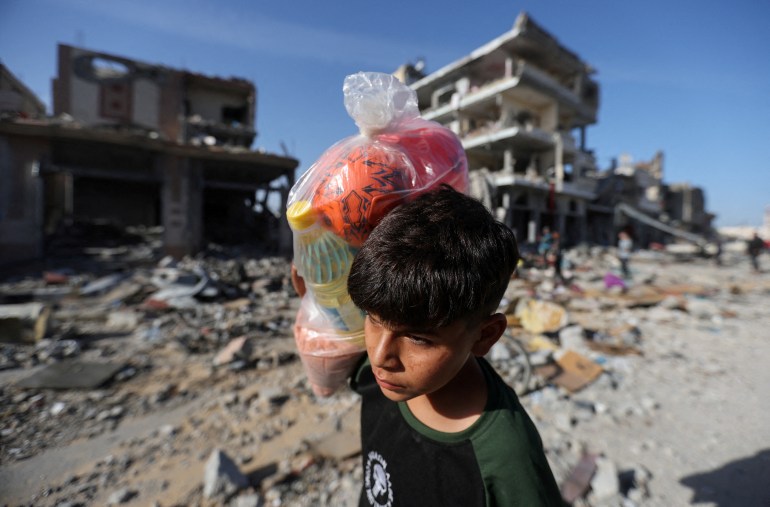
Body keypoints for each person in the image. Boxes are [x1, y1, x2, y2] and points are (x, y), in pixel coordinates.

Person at [345, 186, 564, 506]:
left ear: (485, 336)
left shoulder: (505, 456)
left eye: (418, 338)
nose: (380, 357)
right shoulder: (373, 377)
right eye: (372, 319)